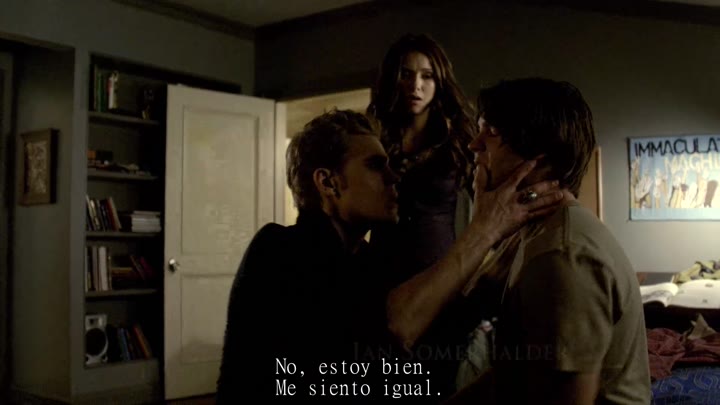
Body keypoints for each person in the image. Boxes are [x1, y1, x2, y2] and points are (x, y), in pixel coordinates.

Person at [216, 109, 562, 403]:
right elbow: (386, 335)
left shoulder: (366, 261)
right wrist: (484, 228)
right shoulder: (279, 250)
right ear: (329, 183)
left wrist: (511, 233)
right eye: (375, 166)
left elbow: (445, 328)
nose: (394, 177)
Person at [448, 78, 651, 404]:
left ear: (538, 159)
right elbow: (512, 373)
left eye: (491, 132)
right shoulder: (534, 234)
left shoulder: (562, 255)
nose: (474, 144)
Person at [365, 33, 480, 395]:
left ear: (439, 80)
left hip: (438, 278)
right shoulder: (374, 136)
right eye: (406, 74)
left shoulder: (458, 139)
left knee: (435, 384)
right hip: (382, 276)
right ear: (393, 78)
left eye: (427, 76)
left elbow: (486, 207)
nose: (416, 85)